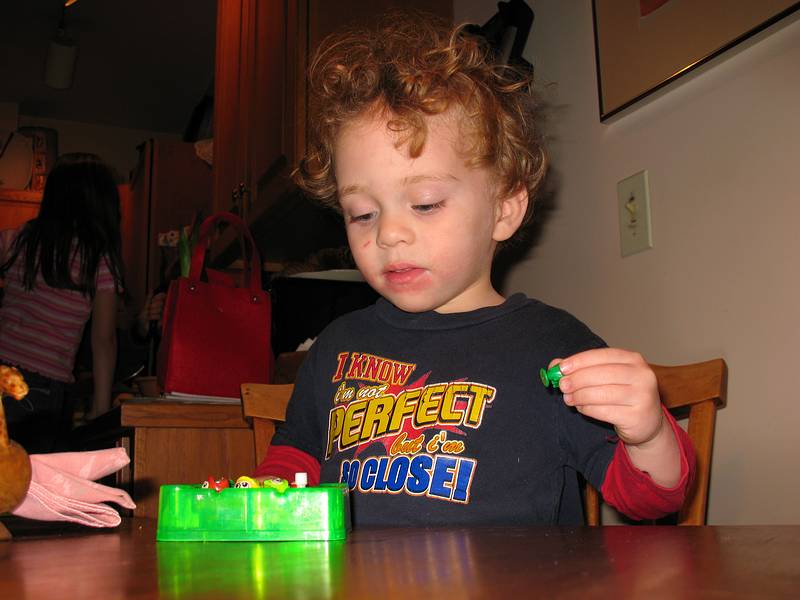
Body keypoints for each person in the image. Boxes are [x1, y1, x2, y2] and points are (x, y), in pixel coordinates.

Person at [253, 16, 694, 525]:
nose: (388, 233)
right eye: (363, 213)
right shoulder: (335, 346)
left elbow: (650, 499)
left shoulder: (554, 346)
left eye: (424, 202)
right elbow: (295, 456)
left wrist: (649, 435)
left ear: (504, 210)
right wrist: (263, 495)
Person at [0, 153, 125, 452]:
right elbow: (103, 340)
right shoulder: (99, 258)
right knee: (30, 485)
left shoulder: (21, 239)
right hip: (39, 392)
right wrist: (101, 407)